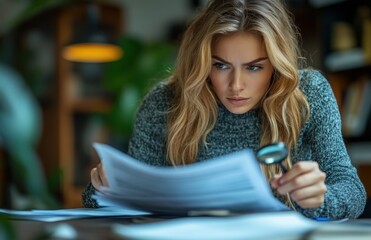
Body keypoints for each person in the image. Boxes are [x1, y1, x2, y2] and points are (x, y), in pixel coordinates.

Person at [82, 0, 366, 219]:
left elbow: (353, 191)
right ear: (203, 61)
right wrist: (104, 189)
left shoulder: (308, 93)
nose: (236, 85)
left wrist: (321, 198)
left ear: (276, 65)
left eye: (254, 67)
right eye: (220, 65)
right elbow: (121, 201)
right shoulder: (164, 103)